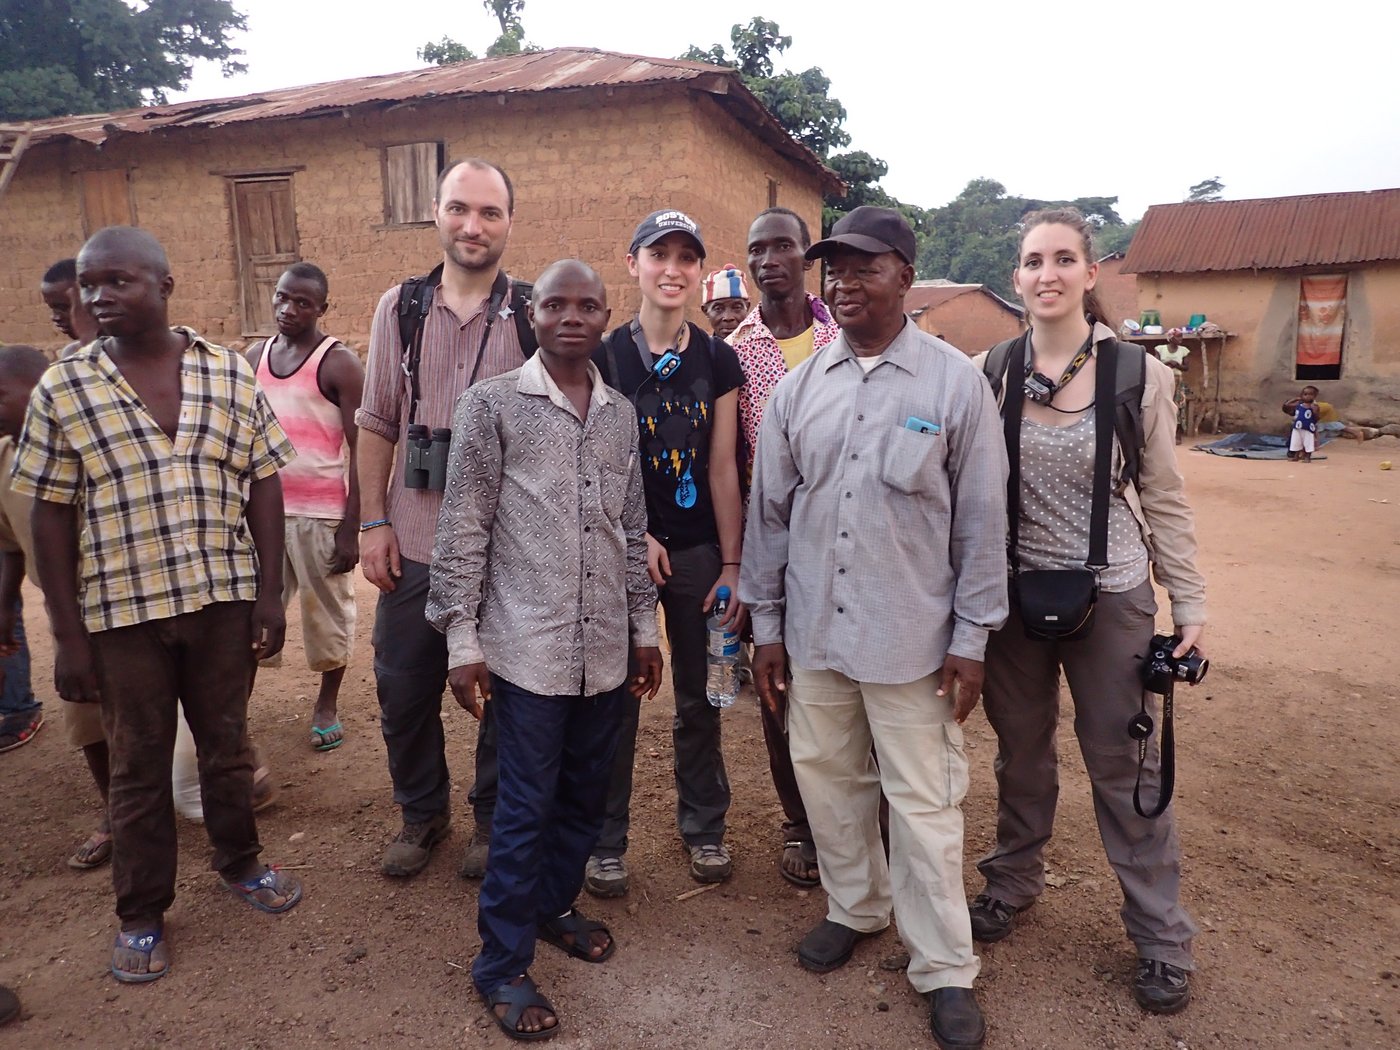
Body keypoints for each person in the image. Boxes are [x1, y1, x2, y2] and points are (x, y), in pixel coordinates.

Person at [742, 206, 1008, 1050]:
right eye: (836, 270)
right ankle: (856, 907)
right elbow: (769, 520)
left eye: (864, 267)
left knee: (925, 804)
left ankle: (943, 968)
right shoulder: (800, 387)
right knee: (827, 779)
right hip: (818, 631)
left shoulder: (953, 383)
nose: (844, 283)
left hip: (913, 642)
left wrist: (972, 637)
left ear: (905, 274)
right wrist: (768, 628)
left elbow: (981, 521)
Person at [13, 225, 303, 984]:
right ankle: (141, 913)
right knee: (139, 766)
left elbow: (265, 480)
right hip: (122, 614)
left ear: (163, 286)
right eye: (88, 284)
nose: (98, 297)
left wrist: (269, 593)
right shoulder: (64, 386)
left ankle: (240, 864)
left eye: (117, 282)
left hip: (220, 602)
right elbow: (47, 511)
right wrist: (66, 636)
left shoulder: (224, 373)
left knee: (227, 745)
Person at [970, 207, 1207, 1016]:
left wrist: (1191, 602)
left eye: (1064, 258)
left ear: (1091, 271)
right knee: (1021, 754)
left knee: (1124, 766)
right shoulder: (990, 369)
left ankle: (1162, 937)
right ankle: (1011, 883)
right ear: (1017, 277)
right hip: (1013, 597)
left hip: (1110, 597)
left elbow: (1165, 498)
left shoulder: (1138, 375)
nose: (1048, 274)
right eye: (1034, 260)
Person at [427, 259, 662, 1042]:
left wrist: (644, 631)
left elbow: (631, 531)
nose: (571, 316)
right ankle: (500, 962)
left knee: (585, 797)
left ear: (605, 316)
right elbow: (462, 529)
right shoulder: (493, 406)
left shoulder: (621, 413)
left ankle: (556, 903)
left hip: (602, 652)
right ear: (531, 316)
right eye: (555, 304)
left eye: (587, 305)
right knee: (523, 809)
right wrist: (462, 640)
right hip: (526, 652)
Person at [356, 158, 532, 878]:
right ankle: (421, 813)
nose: (473, 225)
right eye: (460, 208)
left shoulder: (530, 311)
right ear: (436, 212)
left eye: (490, 213)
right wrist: (372, 521)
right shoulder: (399, 308)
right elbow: (376, 422)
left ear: (509, 223)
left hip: (506, 546)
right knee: (403, 687)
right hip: (416, 538)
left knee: (503, 692)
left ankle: (492, 821)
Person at [586, 208, 747, 896]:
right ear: (634, 265)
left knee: (707, 692)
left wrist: (733, 564)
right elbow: (593, 464)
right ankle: (604, 839)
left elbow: (721, 469)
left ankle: (705, 828)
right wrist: (636, 534)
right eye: (660, 255)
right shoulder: (602, 357)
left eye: (687, 258)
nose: (673, 270)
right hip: (623, 552)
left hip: (702, 555)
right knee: (615, 695)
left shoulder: (719, 358)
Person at [726, 206, 840, 887]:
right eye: (756, 249)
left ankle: (857, 818)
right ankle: (800, 821)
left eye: (782, 247)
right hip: (773, 549)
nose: (769, 259)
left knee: (853, 685)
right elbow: (729, 461)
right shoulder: (734, 352)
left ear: (807, 256)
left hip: (849, 544)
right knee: (778, 688)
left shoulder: (847, 339)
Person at [248, 262, 364, 751]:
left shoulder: (338, 364)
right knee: (251, 610)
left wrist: (352, 526)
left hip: (321, 513)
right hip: (263, 514)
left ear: (322, 307)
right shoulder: (254, 357)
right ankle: (236, 706)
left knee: (326, 614)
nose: (288, 309)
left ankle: (326, 703)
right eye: (281, 298)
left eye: (302, 302)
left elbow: (364, 447)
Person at [0, 347, 48, 757]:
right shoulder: (5, 460)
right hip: (62, 604)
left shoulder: (73, 452)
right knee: (91, 716)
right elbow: (12, 545)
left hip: (114, 601)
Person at [699, 263, 751, 342]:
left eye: (737, 307)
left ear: (747, 307)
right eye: (718, 308)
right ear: (706, 311)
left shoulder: (763, 349)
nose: (728, 317)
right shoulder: (701, 352)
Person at [39, 258, 79, 342]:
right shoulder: (74, 352)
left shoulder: (110, 350)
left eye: (63, 308)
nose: (55, 317)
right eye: (52, 308)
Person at [1284, 385, 1321, 462]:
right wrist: (1295, 399)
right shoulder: (1299, 405)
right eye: (1305, 394)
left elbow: (1317, 418)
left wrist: (1315, 412)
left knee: (1308, 443)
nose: (1307, 396)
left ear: (1315, 396)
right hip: (1297, 427)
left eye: (1311, 395)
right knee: (1296, 442)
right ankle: (1296, 456)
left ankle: (1307, 457)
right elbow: (1287, 405)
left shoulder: (1314, 406)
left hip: (1308, 428)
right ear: (1301, 395)